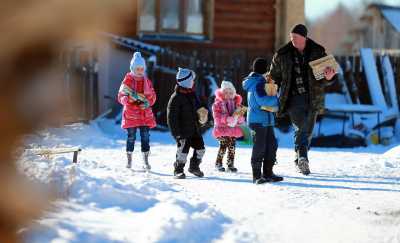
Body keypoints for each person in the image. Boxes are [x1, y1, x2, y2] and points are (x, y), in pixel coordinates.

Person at [268, 24, 336, 175]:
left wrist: (329, 77)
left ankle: (299, 157)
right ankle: (303, 158)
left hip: (313, 97)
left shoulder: (318, 52)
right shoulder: (282, 54)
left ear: (304, 37)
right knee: (300, 128)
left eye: (296, 38)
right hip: (292, 98)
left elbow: (327, 77)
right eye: (291, 38)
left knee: (308, 131)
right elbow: (273, 76)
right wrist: (269, 88)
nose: (293, 41)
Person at [243, 58, 284, 184]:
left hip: (266, 120)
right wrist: (278, 100)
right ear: (265, 69)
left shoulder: (259, 81)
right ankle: (257, 175)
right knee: (260, 147)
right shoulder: (258, 83)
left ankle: (268, 173)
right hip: (258, 121)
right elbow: (263, 101)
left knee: (271, 146)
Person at [117, 52, 156, 170]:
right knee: (131, 137)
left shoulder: (147, 81)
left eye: (142, 68)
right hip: (131, 114)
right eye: (137, 68)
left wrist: (149, 102)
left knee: (145, 137)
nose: (140, 71)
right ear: (133, 68)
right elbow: (121, 94)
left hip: (144, 114)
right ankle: (129, 160)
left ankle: (146, 161)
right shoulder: (127, 80)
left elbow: (153, 95)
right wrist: (126, 99)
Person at [167, 68, 208, 179]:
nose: (193, 82)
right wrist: (176, 133)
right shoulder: (175, 98)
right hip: (182, 131)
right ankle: (178, 169)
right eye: (192, 80)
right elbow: (172, 118)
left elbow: (198, 106)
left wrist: (203, 113)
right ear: (186, 81)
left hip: (194, 129)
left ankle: (194, 166)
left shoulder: (192, 94)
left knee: (201, 148)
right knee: (183, 151)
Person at [212, 81, 245, 172]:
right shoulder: (217, 104)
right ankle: (218, 163)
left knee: (232, 147)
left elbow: (241, 118)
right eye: (225, 93)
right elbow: (217, 118)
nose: (228, 95)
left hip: (233, 130)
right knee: (223, 145)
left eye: (230, 93)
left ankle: (230, 164)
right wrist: (227, 119)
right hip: (221, 130)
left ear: (234, 94)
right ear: (222, 93)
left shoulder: (237, 104)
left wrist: (238, 119)